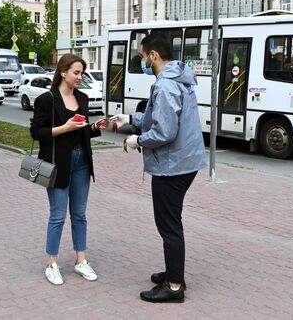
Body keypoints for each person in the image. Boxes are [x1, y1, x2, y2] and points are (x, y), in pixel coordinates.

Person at [110, 32, 206, 303]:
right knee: (171, 223)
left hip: (172, 165)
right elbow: (161, 115)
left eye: (142, 56)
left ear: (152, 55)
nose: (142, 61)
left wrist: (136, 139)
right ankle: (173, 272)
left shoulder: (165, 86)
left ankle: (174, 286)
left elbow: (164, 131)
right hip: (184, 161)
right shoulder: (179, 78)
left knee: (169, 225)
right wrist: (131, 118)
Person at [30, 53, 109, 286]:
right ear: (63, 72)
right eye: (76, 72)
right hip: (58, 164)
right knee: (57, 215)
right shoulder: (47, 99)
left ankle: (80, 260)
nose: (80, 76)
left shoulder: (82, 97)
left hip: (82, 161)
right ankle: (52, 263)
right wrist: (63, 128)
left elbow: (80, 130)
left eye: (82, 72)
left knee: (80, 214)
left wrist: (95, 127)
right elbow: (37, 133)